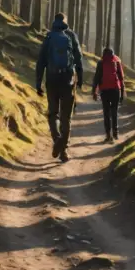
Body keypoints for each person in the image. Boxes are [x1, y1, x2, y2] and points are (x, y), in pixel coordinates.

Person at [36, 13, 83, 161]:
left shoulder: (49, 37)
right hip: (68, 81)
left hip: (52, 80)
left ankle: (57, 140)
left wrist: (38, 83)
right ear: (65, 22)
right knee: (66, 117)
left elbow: (41, 61)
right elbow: (78, 58)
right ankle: (63, 150)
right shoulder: (71, 36)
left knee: (53, 113)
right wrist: (80, 78)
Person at [91, 46, 125, 143]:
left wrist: (94, 91)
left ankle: (108, 135)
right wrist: (122, 93)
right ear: (113, 54)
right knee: (114, 112)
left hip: (104, 90)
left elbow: (97, 77)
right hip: (115, 89)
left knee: (106, 113)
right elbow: (121, 78)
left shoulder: (101, 63)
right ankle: (115, 134)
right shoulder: (116, 62)